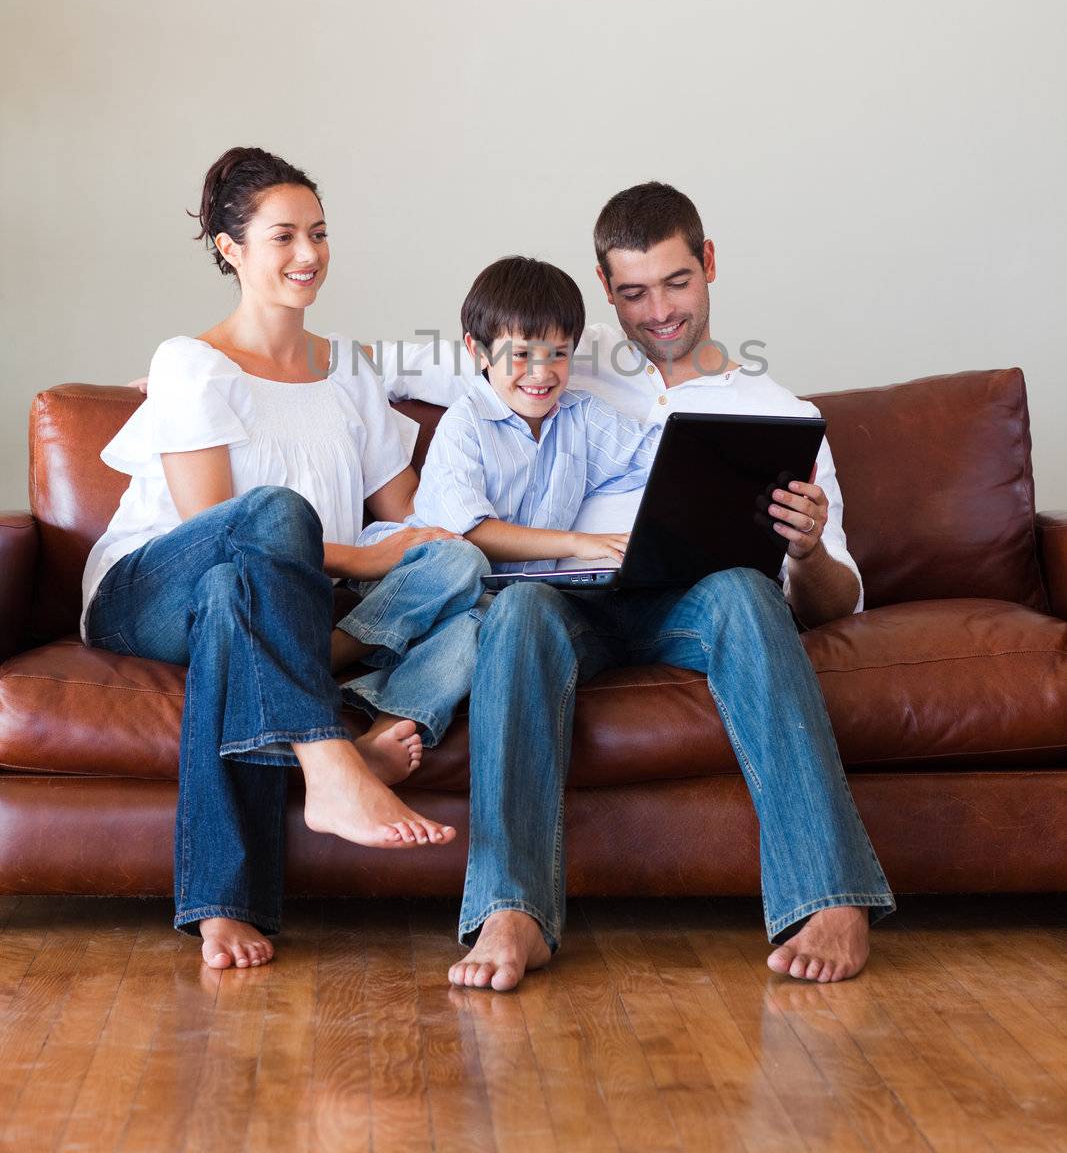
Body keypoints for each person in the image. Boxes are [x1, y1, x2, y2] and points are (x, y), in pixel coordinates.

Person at [383, 182, 896, 990]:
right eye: (631, 292)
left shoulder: (776, 410)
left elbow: (836, 602)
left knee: (745, 589)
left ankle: (829, 896)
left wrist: (803, 550)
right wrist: (238, 375)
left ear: (709, 264)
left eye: (676, 282)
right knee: (514, 609)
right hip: (568, 603)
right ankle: (511, 909)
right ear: (602, 287)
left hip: (698, 603)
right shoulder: (558, 364)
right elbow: (405, 364)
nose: (657, 311)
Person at [83, 146, 489, 970]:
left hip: (266, 603)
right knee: (265, 523)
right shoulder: (189, 363)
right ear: (230, 250)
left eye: (319, 233)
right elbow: (216, 529)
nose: (308, 255)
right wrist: (373, 564)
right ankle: (329, 756)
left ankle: (223, 907)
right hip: (150, 588)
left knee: (459, 570)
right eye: (282, 237)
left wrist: (423, 545)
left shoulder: (349, 371)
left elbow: (406, 521)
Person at [339, 255, 659, 745]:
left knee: (477, 627)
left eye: (558, 353)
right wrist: (579, 543)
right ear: (479, 352)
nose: (541, 372)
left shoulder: (582, 417)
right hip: (420, 579)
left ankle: (387, 731)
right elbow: (469, 533)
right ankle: (337, 647)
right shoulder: (465, 422)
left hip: (489, 601)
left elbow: (655, 456)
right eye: (522, 354)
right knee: (460, 561)